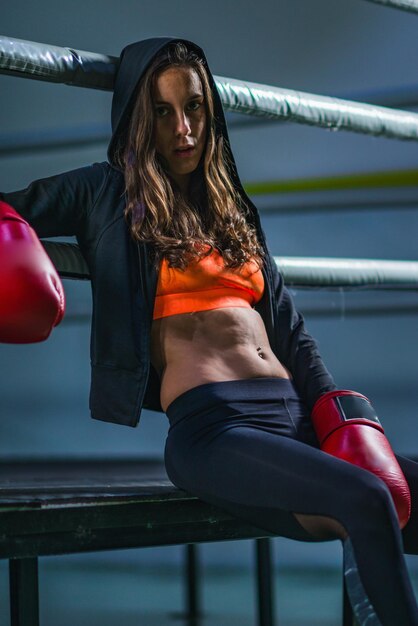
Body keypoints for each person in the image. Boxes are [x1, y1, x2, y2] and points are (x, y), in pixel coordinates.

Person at [1, 37, 418, 625]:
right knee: (367, 499)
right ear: (140, 121)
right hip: (216, 430)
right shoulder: (107, 191)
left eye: (194, 107)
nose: (183, 128)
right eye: (164, 112)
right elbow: (11, 206)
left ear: (211, 111)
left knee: (402, 492)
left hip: (294, 420)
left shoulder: (235, 211)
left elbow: (292, 334)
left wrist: (334, 412)